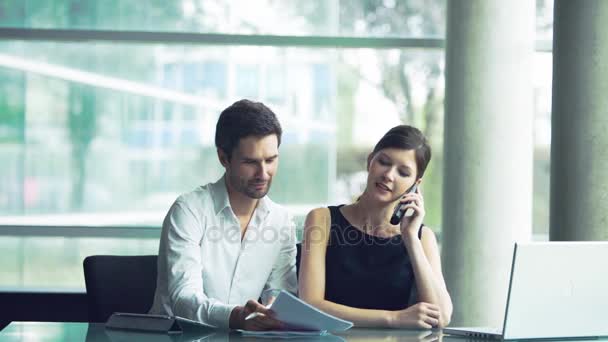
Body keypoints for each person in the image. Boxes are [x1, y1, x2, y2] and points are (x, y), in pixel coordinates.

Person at [149, 99, 297, 331]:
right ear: (223, 158)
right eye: (250, 162)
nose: (263, 173)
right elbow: (183, 299)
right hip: (177, 336)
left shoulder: (281, 221)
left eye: (270, 160)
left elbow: (280, 293)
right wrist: (238, 317)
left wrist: (271, 310)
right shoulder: (189, 210)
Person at [298, 125, 453, 328]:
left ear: (416, 184)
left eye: (403, 172)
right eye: (383, 162)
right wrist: (394, 318)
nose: (389, 175)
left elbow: (441, 317)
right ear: (370, 161)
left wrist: (410, 238)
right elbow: (310, 306)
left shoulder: (422, 237)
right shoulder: (322, 219)